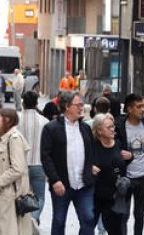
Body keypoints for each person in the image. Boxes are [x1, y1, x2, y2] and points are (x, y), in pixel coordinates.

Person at [41, 91, 96, 235]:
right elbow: (46, 157)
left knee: (89, 218)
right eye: (78, 105)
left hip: (83, 184)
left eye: (82, 105)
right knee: (59, 221)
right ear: (66, 107)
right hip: (62, 184)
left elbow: (91, 152)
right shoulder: (51, 128)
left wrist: (91, 167)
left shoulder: (85, 128)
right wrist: (55, 180)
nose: (81, 108)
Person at [0, 107, 37, 235]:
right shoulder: (4, 137)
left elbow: (17, 169)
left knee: (9, 231)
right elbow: (5, 163)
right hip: (4, 195)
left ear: (8, 120)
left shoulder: (14, 138)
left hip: (11, 196)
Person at [115, 94, 144, 235]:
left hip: (143, 177)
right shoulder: (119, 127)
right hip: (125, 177)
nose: (143, 110)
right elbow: (112, 148)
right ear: (129, 109)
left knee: (139, 214)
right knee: (123, 214)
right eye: (139, 106)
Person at [89, 113, 130, 235]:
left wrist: (130, 157)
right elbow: (81, 162)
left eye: (113, 126)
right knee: (87, 228)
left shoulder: (118, 144)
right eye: (109, 127)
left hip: (114, 198)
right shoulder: (92, 146)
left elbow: (122, 166)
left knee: (116, 231)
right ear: (99, 131)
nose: (113, 129)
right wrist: (88, 167)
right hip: (94, 197)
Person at [20, 91, 50, 222]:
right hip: (39, 164)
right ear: (37, 103)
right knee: (40, 197)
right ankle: (34, 218)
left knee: (21, 196)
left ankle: (27, 222)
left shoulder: (16, 120)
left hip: (20, 165)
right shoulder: (45, 121)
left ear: (23, 103)